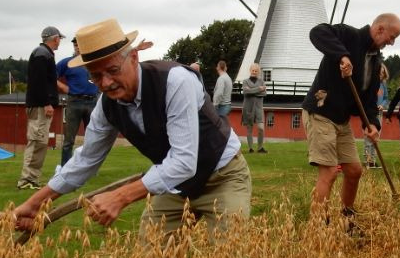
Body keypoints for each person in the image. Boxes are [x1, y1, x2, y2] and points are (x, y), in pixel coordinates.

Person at [13, 18, 251, 236]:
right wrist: (35, 204)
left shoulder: (176, 81)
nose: (105, 83)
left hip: (222, 177)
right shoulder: (106, 108)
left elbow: (184, 162)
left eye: (113, 70)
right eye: (95, 76)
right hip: (175, 186)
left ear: (134, 57)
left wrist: (120, 196)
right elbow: (84, 161)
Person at [302, 13, 400, 230]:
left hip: (341, 119)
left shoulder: (375, 62)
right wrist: (342, 56)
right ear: (379, 29)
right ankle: (318, 227)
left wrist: (372, 123)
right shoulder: (349, 35)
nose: (391, 43)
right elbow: (317, 32)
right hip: (321, 112)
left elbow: (366, 101)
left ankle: (347, 218)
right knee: (329, 172)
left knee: (355, 170)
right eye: (392, 37)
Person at [17, 26, 64, 190]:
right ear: (55, 38)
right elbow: (39, 82)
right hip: (39, 106)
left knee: (40, 141)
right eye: (59, 39)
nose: (60, 42)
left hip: (39, 105)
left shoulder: (43, 53)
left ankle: (32, 179)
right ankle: (26, 180)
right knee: (36, 141)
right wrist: (46, 103)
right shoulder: (41, 54)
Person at [56, 36, 99, 166]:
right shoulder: (67, 62)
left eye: (80, 45)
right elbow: (49, 75)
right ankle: (65, 167)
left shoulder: (94, 62)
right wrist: (63, 87)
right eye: (75, 45)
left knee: (92, 138)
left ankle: (87, 167)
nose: (77, 47)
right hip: (74, 102)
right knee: (69, 139)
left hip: (92, 102)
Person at [363, 64, 390, 168]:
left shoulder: (383, 84)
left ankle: (373, 161)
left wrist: (382, 105)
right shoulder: (369, 83)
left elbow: (386, 98)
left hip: (379, 113)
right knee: (368, 137)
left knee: (376, 137)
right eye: (379, 72)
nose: (380, 74)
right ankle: (367, 160)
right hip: (369, 113)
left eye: (382, 72)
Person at [241, 62, 268, 153]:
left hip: (259, 108)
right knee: (249, 128)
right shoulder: (245, 81)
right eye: (253, 70)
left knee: (261, 128)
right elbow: (246, 92)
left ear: (258, 72)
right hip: (248, 108)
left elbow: (264, 93)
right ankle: (250, 148)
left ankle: (260, 147)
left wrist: (251, 91)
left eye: (256, 71)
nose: (254, 72)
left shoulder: (262, 81)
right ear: (250, 71)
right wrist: (259, 89)